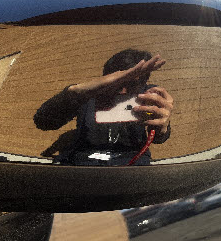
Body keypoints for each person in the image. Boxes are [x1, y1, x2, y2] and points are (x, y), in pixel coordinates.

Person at [34, 49, 173, 165]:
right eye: (118, 83)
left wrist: (162, 127)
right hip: (83, 164)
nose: (123, 91)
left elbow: (158, 138)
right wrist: (75, 92)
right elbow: (44, 122)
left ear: (143, 83)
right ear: (106, 79)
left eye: (132, 84)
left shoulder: (148, 96)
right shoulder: (88, 94)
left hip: (132, 164)